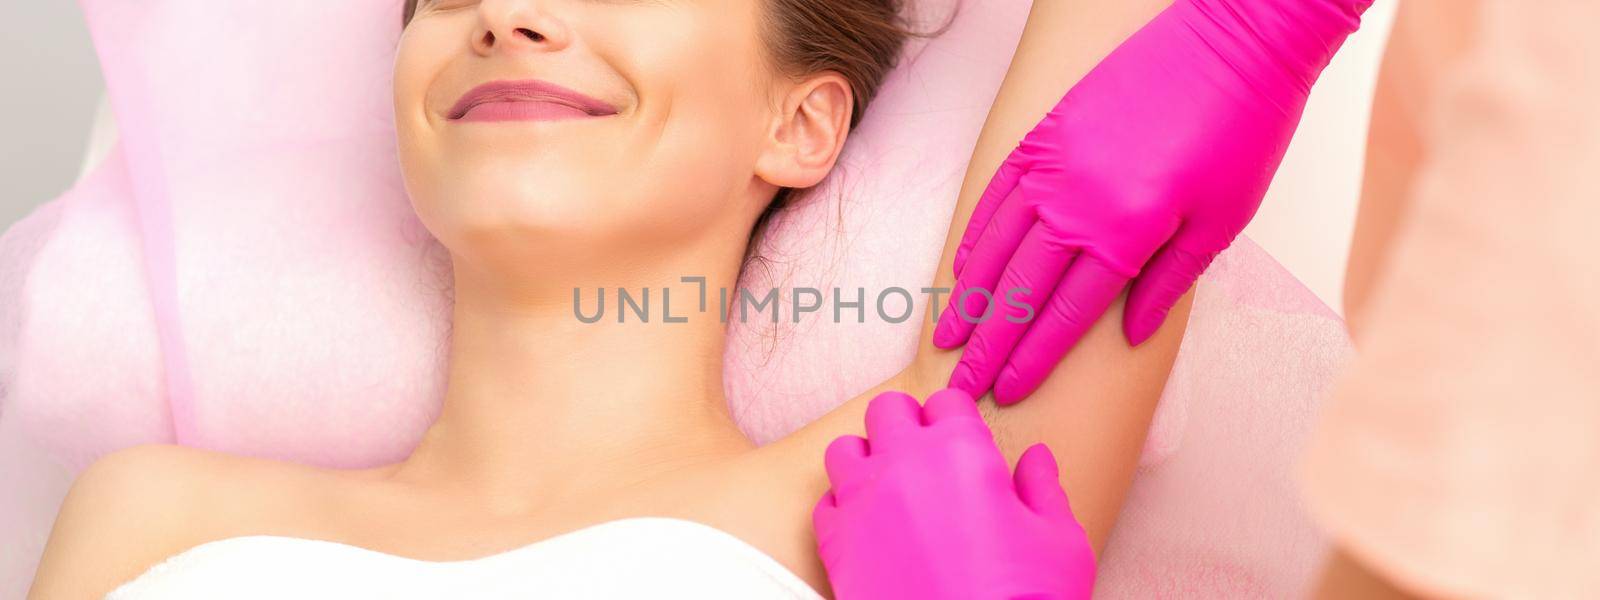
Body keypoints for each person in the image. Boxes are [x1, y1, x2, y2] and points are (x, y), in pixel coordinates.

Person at [27, 1, 1194, 597]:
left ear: (798, 122)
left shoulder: (915, 480)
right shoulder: (148, 516)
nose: (503, 15)